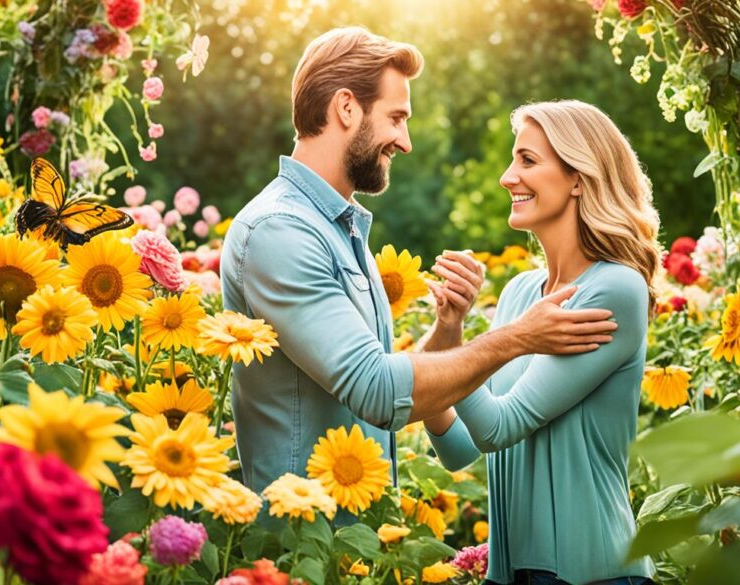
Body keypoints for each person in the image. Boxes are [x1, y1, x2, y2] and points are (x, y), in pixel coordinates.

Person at [219, 29, 618, 510]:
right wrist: (517, 338)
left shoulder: (337, 229)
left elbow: (380, 397)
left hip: (351, 541)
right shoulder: (280, 232)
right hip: (303, 543)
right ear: (346, 108)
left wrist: (447, 329)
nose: (404, 142)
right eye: (396, 117)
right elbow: (379, 392)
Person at [424, 100, 660, 585]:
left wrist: (484, 347)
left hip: (597, 575)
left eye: (528, 160)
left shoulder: (614, 289)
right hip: (514, 575)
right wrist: (450, 328)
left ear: (579, 177)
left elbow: (498, 427)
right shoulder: (519, 296)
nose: (508, 177)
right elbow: (459, 449)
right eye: (513, 161)